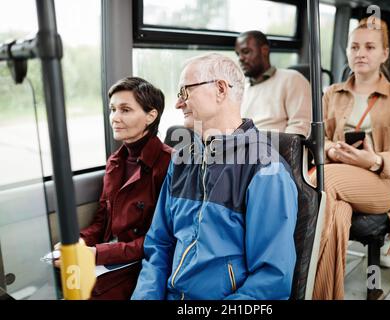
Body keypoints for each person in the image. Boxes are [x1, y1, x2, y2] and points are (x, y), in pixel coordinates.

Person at [131, 53, 298, 300]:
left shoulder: (265, 170)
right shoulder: (181, 160)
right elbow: (159, 245)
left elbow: (270, 282)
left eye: (184, 92)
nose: (178, 104)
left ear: (220, 89)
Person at [311, 18, 390, 299]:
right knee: (336, 213)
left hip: (381, 181)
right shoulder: (332, 93)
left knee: (320, 179)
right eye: (354, 46)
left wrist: (373, 160)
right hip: (338, 172)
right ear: (347, 51)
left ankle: (295, 275)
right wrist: (332, 150)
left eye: (370, 47)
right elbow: (317, 138)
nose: (360, 53)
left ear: (385, 54)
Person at [55, 77, 172, 299]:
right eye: (113, 109)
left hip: (142, 264)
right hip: (109, 259)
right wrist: (80, 241)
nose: (115, 118)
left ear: (151, 115)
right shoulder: (115, 162)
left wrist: (96, 253)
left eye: (125, 110)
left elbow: (160, 240)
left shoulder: (169, 164)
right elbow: (102, 221)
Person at [235, 30, 312, 136]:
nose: (240, 58)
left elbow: (300, 126)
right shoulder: (242, 89)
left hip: (274, 149)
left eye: (246, 51)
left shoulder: (292, 79)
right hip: (243, 147)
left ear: (264, 50)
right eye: (238, 54)